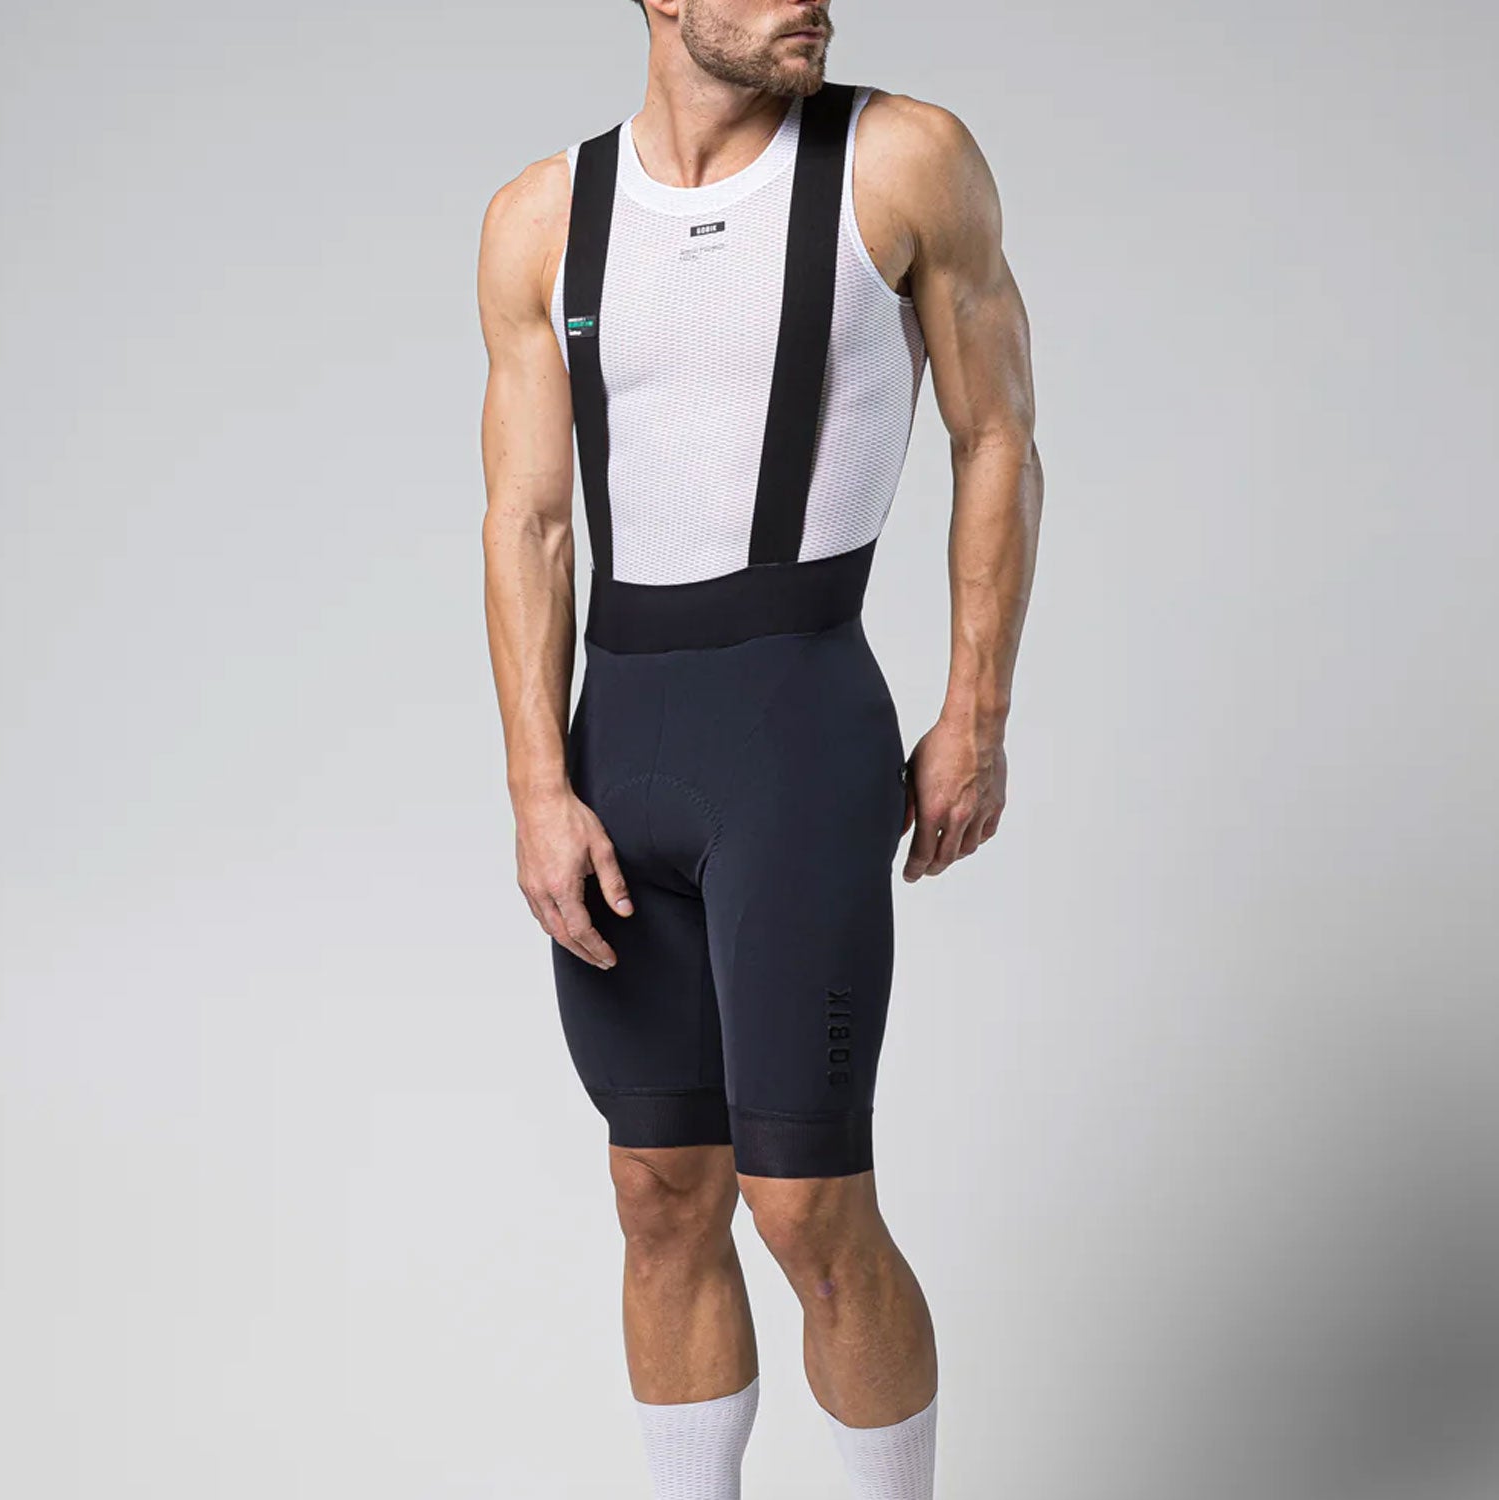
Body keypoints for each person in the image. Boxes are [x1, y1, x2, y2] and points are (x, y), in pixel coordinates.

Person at [476, 2, 1041, 1495]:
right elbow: (529, 520)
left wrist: (976, 712)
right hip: (619, 748)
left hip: (794, 735)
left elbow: (996, 434)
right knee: (658, 1193)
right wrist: (538, 788)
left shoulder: (902, 160)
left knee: (806, 1209)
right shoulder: (541, 219)